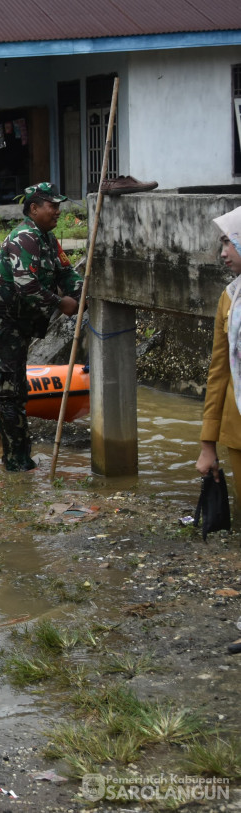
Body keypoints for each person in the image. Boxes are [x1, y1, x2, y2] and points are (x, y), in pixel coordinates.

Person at [0, 182, 82, 471]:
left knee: (18, 394)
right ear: (34, 209)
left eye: (59, 206)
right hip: (0, 325)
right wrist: (62, 304)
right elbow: (27, 287)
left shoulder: (48, 239)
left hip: (19, 326)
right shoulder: (23, 237)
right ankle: (15, 464)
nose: (58, 211)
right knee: (9, 396)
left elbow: (66, 271)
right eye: (52, 206)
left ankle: (23, 459)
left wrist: (80, 291)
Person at [195, 205, 241, 654]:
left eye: (228, 241)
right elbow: (218, 373)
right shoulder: (230, 297)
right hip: (237, 431)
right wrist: (207, 443)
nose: (222, 251)